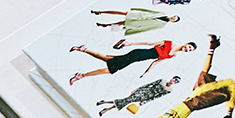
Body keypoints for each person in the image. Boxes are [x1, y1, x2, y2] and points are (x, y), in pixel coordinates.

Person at [124, 35, 235, 118]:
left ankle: (212, 47)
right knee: (226, 94)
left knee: (203, 73)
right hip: (198, 103)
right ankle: (228, 115)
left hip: (192, 95)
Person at [68, 39, 196, 84]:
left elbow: (156, 61)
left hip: (138, 59)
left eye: (189, 50)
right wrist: (130, 43)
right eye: (189, 47)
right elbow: (149, 43)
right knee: (111, 70)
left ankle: (83, 49)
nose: (187, 49)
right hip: (137, 54)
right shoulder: (171, 43)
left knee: (107, 59)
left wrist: (147, 72)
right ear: (186, 43)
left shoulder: (173, 56)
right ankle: (81, 76)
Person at [95, 76, 181, 116]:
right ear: (172, 78)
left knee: (125, 100)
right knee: (126, 100)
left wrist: (145, 102)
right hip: (143, 91)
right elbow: (149, 84)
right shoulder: (162, 80)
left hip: (146, 97)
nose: (175, 81)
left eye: (177, 82)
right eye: (175, 79)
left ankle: (104, 103)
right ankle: (105, 109)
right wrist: (137, 89)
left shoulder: (169, 90)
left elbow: (157, 97)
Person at [89, 7, 180, 35]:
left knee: (122, 23)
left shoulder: (161, 25)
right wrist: (138, 9)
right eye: (174, 17)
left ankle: (106, 24)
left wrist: (135, 30)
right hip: (140, 15)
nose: (172, 18)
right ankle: (100, 12)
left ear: (173, 22)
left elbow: (148, 29)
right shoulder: (162, 13)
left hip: (139, 23)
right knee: (123, 13)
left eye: (174, 19)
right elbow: (149, 11)